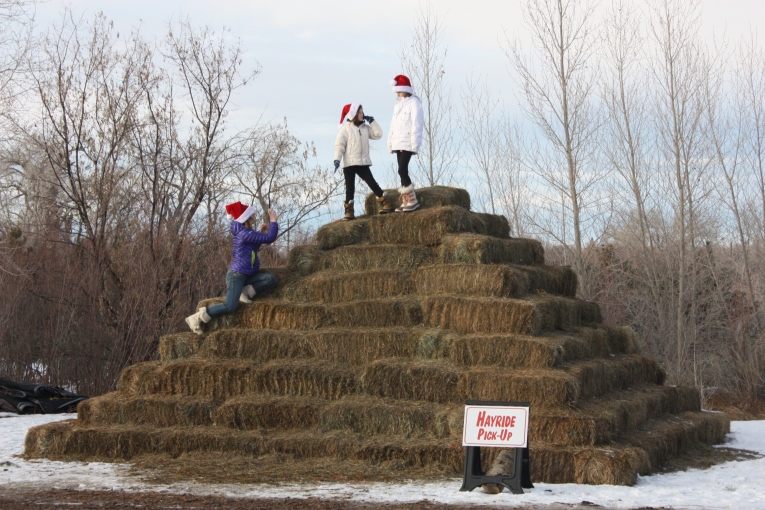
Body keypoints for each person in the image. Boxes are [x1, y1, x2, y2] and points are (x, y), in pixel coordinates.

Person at [185, 202, 279, 335]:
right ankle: (196, 318)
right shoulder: (244, 233)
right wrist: (273, 221)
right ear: (247, 218)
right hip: (237, 276)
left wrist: (262, 232)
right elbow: (271, 237)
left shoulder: (246, 233)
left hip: (247, 275)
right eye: (252, 214)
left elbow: (254, 247)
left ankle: (244, 292)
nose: (254, 216)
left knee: (270, 279)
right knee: (230, 306)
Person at [334, 103, 394, 220]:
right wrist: (337, 159)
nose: (362, 114)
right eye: (359, 112)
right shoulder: (345, 130)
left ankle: (385, 202)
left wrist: (372, 121)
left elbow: (378, 134)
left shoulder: (366, 128)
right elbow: (339, 146)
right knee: (350, 188)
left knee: (372, 182)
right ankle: (349, 211)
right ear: (354, 115)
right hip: (349, 164)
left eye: (362, 112)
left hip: (363, 163)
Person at [387, 74, 424, 212]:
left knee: (401, 169)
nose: (397, 93)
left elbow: (417, 123)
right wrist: (391, 143)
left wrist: (415, 143)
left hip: (408, 141)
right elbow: (393, 125)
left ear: (406, 88)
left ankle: (412, 200)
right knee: (402, 171)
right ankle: (406, 200)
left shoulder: (415, 103)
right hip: (398, 142)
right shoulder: (398, 105)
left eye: (399, 90)